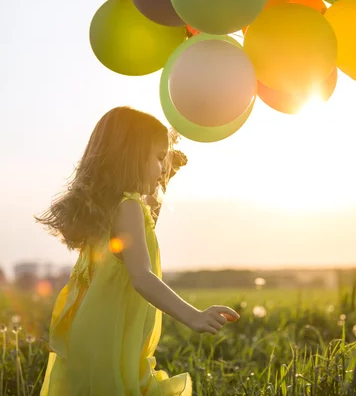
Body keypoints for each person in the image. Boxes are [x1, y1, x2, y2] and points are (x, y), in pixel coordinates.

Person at [36, 106, 240, 395]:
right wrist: (193, 316)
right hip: (111, 339)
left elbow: (147, 226)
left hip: (92, 334)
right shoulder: (128, 207)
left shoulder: (108, 207)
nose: (162, 167)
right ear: (131, 156)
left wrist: (166, 177)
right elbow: (141, 276)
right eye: (158, 158)